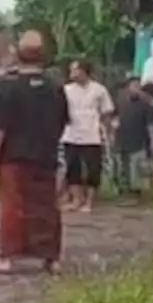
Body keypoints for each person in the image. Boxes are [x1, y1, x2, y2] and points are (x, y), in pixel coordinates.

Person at [0, 30, 69, 275]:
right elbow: (63, 121)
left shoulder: (9, 88)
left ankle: (7, 257)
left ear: (18, 56)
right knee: (46, 207)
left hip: (15, 158)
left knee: (13, 207)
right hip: (46, 155)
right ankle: (51, 259)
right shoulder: (55, 88)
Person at [60, 60, 115, 212]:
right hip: (71, 133)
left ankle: (89, 201)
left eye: (75, 70)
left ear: (83, 71)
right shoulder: (66, 90)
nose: (72, 74)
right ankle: (76, 199)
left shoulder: (99, 90)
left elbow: (107, 112)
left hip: (92, 134)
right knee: (72, 168)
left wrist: (108, 133)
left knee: (93, 168)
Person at [113, 77, 153, 198]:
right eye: (133, 86)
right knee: (121, 165)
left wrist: (151, 141)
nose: (136, 88)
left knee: (135, 166)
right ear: (128, 87)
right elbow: (114, 117)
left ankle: (136, 190)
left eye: (138, 86)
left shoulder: (145, 104)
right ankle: (122, 188)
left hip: (138, 139)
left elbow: (150, 124)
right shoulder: (121, 101)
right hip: (121, 138)